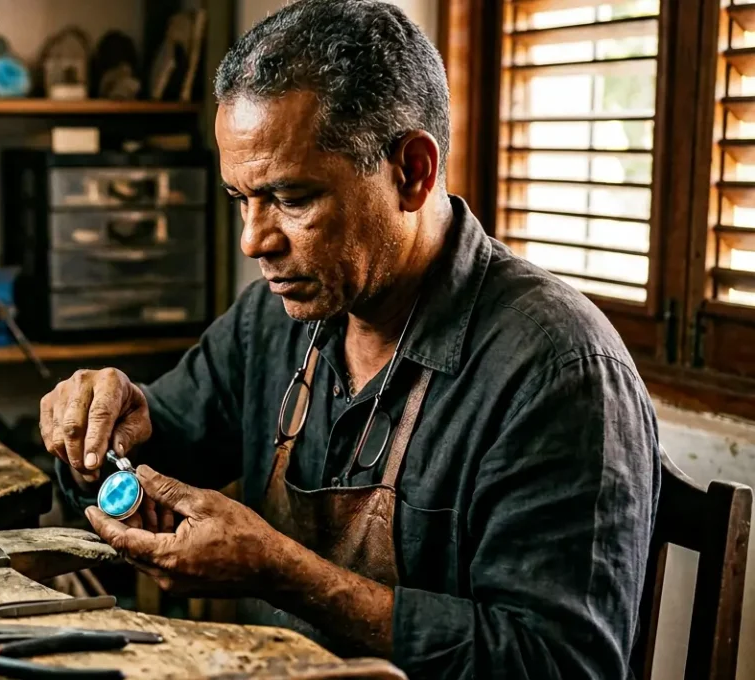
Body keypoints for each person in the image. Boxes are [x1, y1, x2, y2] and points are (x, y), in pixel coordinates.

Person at [37, 1, 661, 677]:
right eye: (240, 198)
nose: (255, 240)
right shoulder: (274, 319)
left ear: (412, 172)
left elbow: (562, 665)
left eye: (293, 198)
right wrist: (95, 435)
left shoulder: (558, 372)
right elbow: (153, 462)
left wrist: (286, 574)